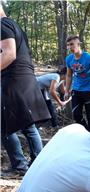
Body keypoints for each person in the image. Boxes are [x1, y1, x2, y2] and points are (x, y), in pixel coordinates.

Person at [0, 4, 50, 175]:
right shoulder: (13, 25)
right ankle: (36, 165)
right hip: (23, 78)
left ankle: (21, 166)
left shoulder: (2, 25)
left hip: (14, 80)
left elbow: (9, 54)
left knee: (6, 126)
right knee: (26, 125)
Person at [65, 35, 90, 132]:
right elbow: (69, 75)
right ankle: (85, 132)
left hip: (89, 90)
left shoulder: (89, 58)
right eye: (69, 45)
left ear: (79, 44)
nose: (70, 47)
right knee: (76, 115)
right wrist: (66, 91)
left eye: (72, 44)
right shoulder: (69, 59)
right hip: (76, 90)